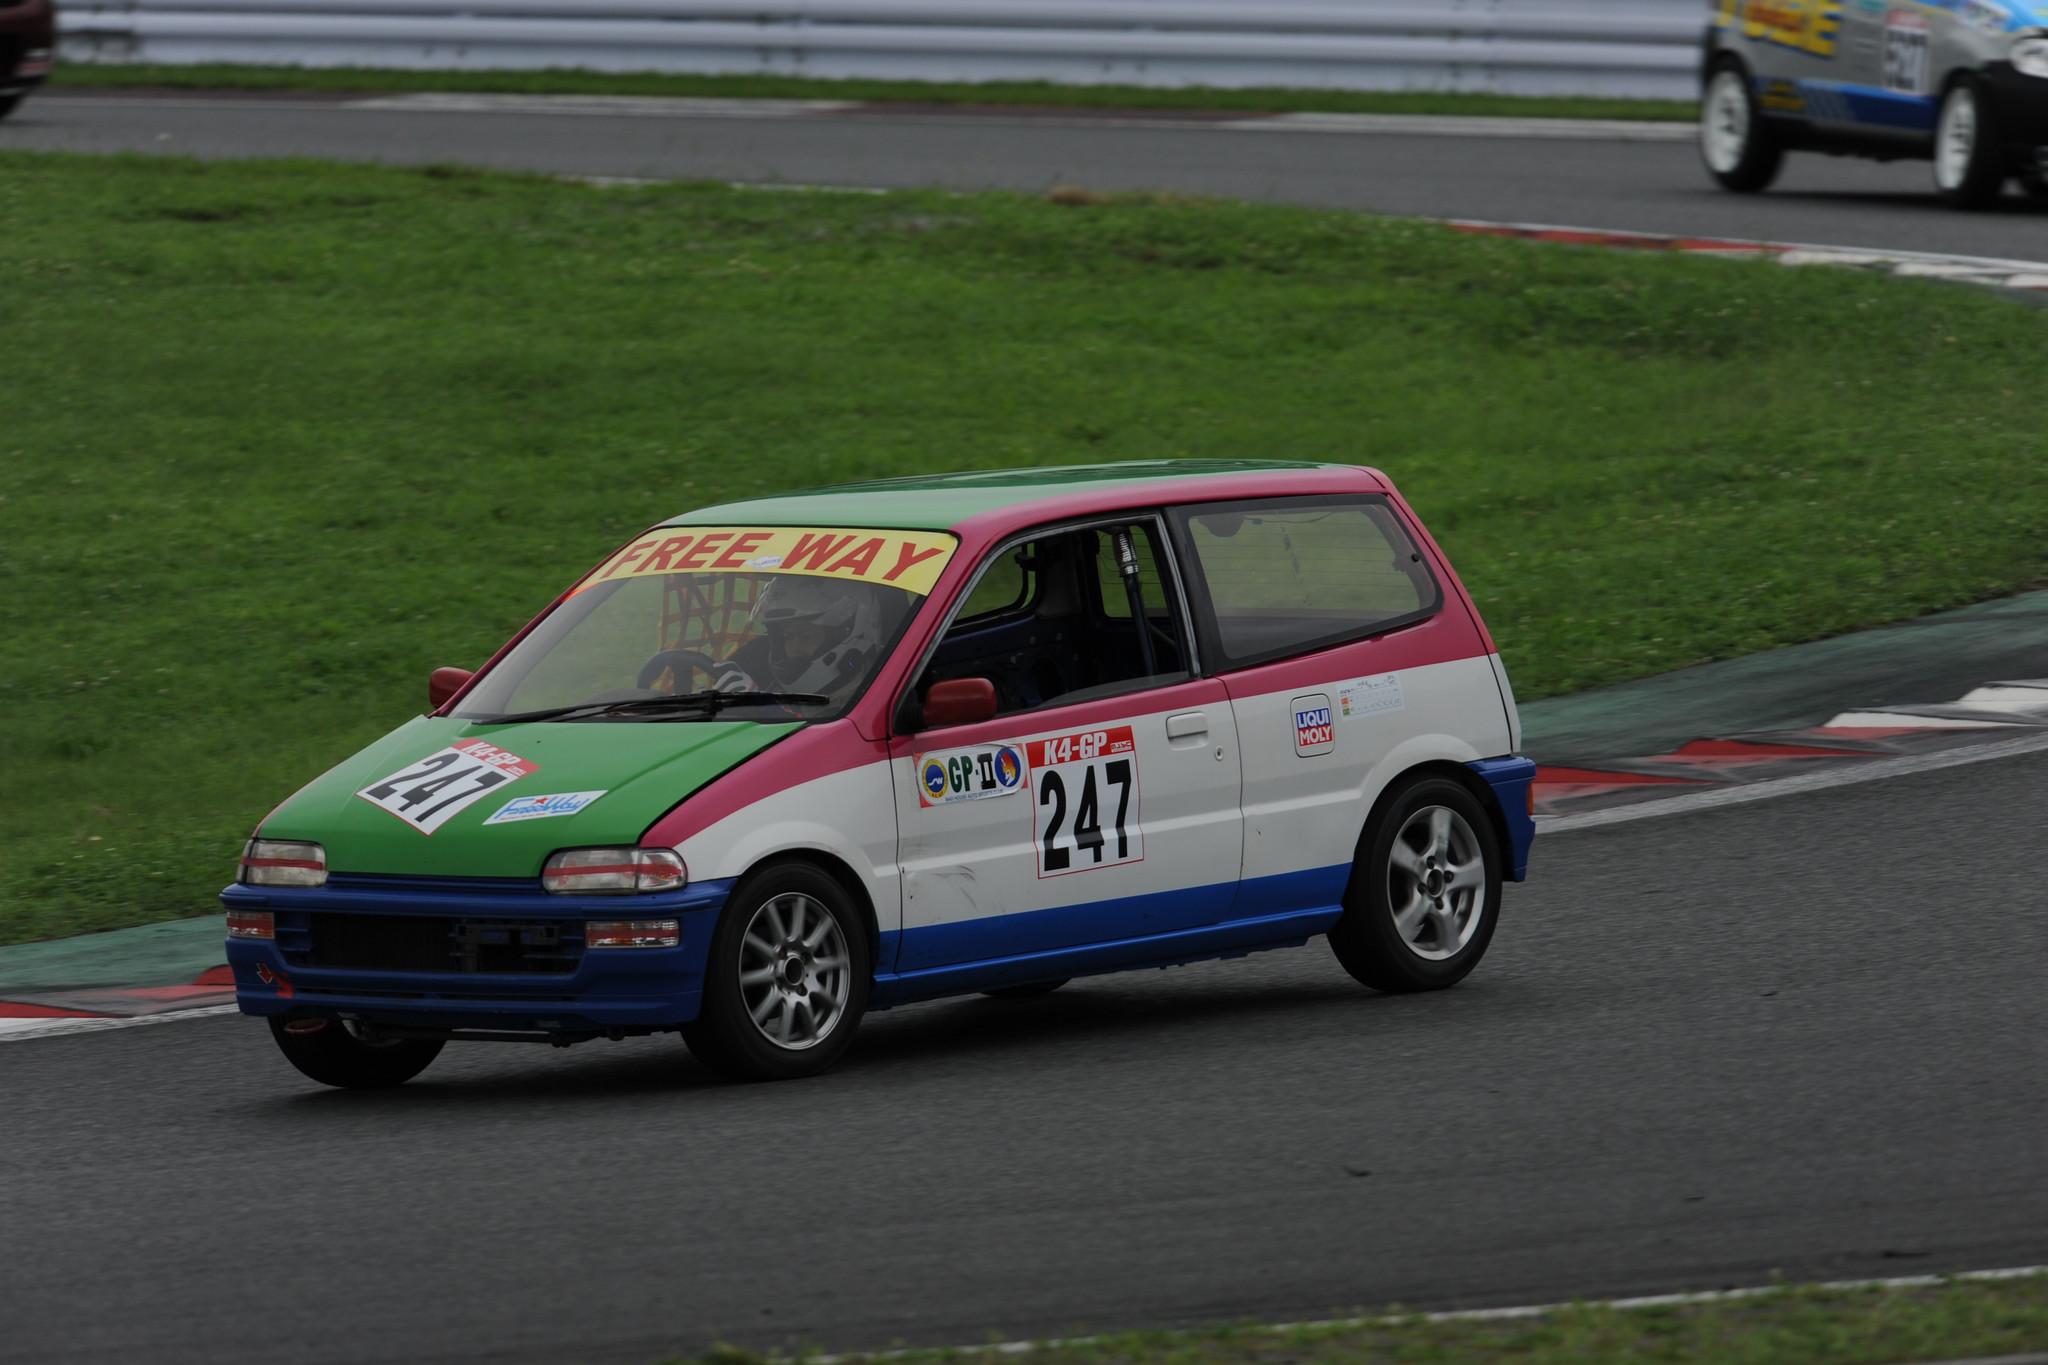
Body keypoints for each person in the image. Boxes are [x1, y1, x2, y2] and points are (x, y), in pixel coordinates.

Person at [711, 576, 885, 700]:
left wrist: (768, 712)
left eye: (807, 636)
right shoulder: (768, 682)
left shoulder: (876, 698)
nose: (794, 650)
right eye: (787, 637)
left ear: (851, 633)